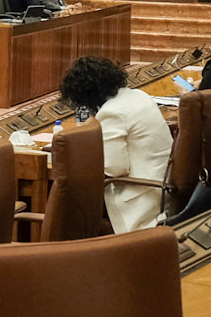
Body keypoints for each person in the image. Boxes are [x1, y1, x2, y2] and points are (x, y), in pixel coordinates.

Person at [60, 55, 174, 233]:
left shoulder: (111, 112)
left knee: (71, 202)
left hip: (140, 197)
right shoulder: (138, 95)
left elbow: (115, 169)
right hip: (164, 186)